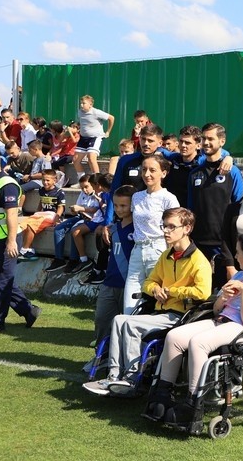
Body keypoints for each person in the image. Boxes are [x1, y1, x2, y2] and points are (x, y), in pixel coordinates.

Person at [148, 231, 243, 433]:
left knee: (198, 343)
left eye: (238, 253)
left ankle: (194, 403)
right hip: (221, 320)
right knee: (174, 336)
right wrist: (223, 298)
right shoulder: (239, 275)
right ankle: (163, 394)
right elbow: (218, 310)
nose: (235, 257)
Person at [83, 207, 212, 395]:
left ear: (187, 228)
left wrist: (171, 291)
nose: (165, 231)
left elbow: (203, 293)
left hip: (180, 316)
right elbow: (149, 282)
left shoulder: (198, 260)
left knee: (131, 324)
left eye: (171, 227)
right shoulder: (166, 256)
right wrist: (156, 289)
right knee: (119, 319)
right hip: (160, 312)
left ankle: (131, 378)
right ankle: (113, 375)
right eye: (164, 226)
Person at [0, 145, 41, 334]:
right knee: (0, 280)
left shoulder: (7, 184)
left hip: (4, 240)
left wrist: (11, 241)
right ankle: (28, 310)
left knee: (2, 282)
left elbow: (12, 215)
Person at [187, 123, 243, 288]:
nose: (206, 143)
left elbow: (239, 205)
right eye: (203, 139)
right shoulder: (194, 173)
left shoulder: (232, 172)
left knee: (228, 292)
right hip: (199, 244)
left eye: (210, 139)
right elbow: (190, 208)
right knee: (200, 292)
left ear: (222, 141)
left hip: (225, 244)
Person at [122, 154, 180, 313]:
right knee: (130, 297)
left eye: (152, 170)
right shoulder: (136, 197)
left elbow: (175, 229)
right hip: (137, 250)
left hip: (158, 250)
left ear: (163, 173)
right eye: (144, 169)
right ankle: (128, 326)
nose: (147, 174)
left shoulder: (169, 199)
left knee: (157, 296)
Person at [88, 185, 135, 352]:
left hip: (129, 285)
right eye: (115, 205)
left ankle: (122, 358)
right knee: (101, 319)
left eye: (123, 205)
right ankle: (101, 355)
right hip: (109, 283)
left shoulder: (139, 230)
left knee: (127, 325)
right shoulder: (112, 228)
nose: (119, 209)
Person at [46, 173, 102, 274]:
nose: (84, 190)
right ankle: (59, 259)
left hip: (91, 219)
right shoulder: (83, 193)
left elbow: (96, 209)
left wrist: (81, 209)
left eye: (86, 187)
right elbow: (78, 206)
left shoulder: (98, 194)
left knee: (75, 230)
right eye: (82, 188)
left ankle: (74, 260)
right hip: (81, 216)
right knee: (59, 229)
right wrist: (75, 210)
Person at [16, 168, 65, 261]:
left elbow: (61, 207)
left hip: (53, 215)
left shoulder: (59, 192)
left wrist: (57, 218)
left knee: (31, 226)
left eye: (48, 180)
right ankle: (30, 250)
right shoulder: (41, 190)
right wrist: (37, 212)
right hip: (42, 214)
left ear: (54, 180)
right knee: (24, 224)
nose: (45, 182)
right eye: (43, 180)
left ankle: (24, 249)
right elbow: (41, 201)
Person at [73, 94, 114, 175]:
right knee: (75, 160)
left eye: (83, 103)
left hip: (95, 138)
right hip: (83, 138)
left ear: (90, 105)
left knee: (91, 158)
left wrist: (108, 131)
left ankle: (97, 179)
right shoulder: (80, 112)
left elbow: (111, 118)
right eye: (81, 103)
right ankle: (82, 179)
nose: (81, 105)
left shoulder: (96, 112)